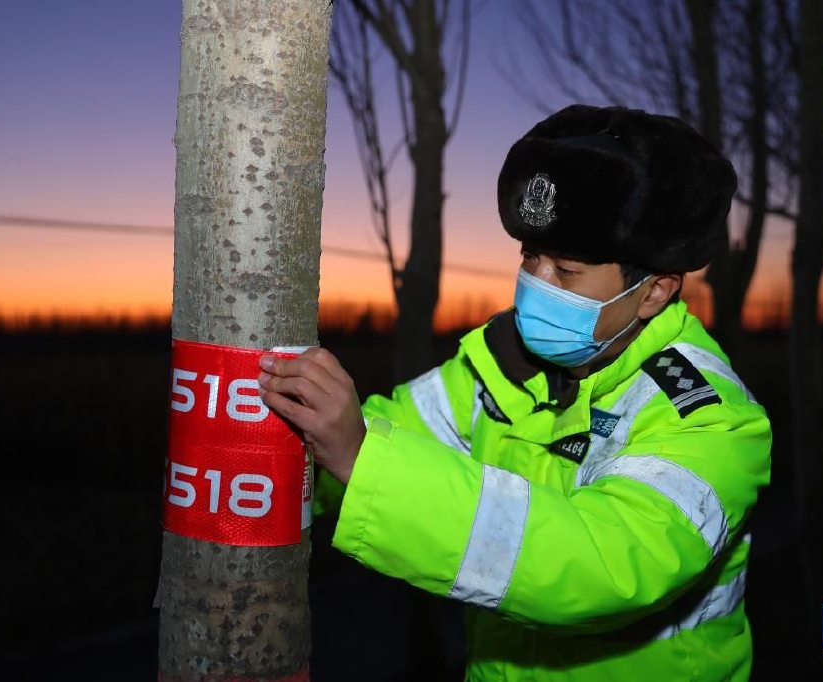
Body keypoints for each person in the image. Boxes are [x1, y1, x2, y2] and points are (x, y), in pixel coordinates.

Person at [258, 104, 772, 681]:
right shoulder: (500, 365)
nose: (535, 283)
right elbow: (390, 430)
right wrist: (280, 454)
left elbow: (602, 564)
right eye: (530, 256)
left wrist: (363, 461)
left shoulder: (710, 418)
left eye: (567, 270)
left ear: (655, 291)